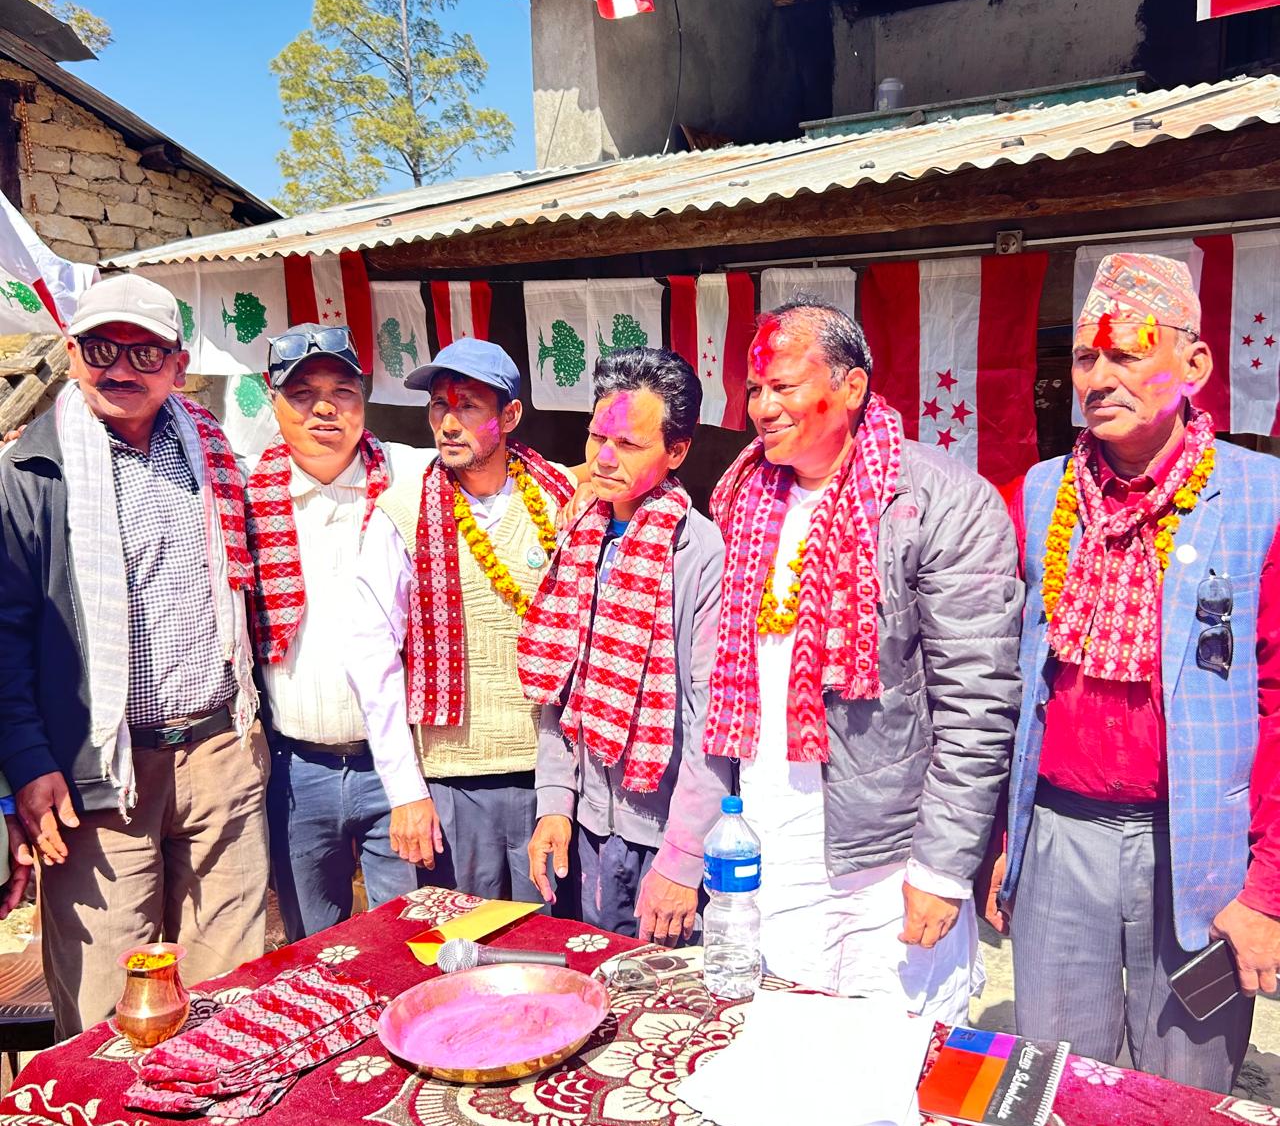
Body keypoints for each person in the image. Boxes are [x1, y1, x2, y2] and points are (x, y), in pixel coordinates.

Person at [997, 252, 1280, 1093]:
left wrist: (1266, 889)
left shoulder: (1262, 496)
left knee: (1184, 1097)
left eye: (1126, 353)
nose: (1098, 377)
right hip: (1059, 836)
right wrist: (1002, 844)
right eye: (1087, 357)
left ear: (1195, 364)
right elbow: (1009, 681)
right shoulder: (1040, 492)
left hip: (1203, 848)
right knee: (1059, 1085)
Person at [700, 296, 1021, 1022]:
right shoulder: (745, 497)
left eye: (784, 386)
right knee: (779, 1026)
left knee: (893, 1047)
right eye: (754, 389)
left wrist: (942, 868)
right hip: (766, 829)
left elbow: (978, 703)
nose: (762, 408)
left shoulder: (942, 501)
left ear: (851, 386)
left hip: (888, 854)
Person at [0, 273, 267, 1037]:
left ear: (178, 366)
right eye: (101, 349)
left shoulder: (213, 454)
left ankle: (217, 1116)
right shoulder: (30, 474)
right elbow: (4, 632)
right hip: (96, 775)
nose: (121, 368)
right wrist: (28, 763)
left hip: (220, 755)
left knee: (229, 995)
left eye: (144, 353)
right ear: (72, 352)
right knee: (105, 1009)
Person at [346, 338, 577, 901]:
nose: (448, 423)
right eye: (438, 406)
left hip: (554, 779)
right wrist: (406, 791)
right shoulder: (401, 513)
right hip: (450, 784)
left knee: (550, 937)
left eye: (468, 406)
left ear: (510, 416)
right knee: (461, 937)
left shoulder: (563, 500)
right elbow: (370, 656)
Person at [518, 348, 731, 943]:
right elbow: (559, 685)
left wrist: (684, 857)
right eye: (597, 438)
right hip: (587, 828)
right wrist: (554, 801)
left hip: (664, 836)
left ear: (677, 451)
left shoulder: (700, 553)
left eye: (629, 444)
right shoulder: (579, 534)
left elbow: (711, 720)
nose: (604, 459)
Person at [248, 323, 431, 941]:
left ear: (364, 398)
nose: (324, 409)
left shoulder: (411, 476)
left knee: (411, 942)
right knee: (313, 947)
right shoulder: (243, 492)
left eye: (342, 392)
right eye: (302, 393)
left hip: (399, 766)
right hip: (297, 770)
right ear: (272, 398)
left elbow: (512, 472)